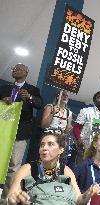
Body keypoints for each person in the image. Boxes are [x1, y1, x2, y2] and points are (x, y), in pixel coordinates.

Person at [5, 132, 100, 205]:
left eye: (50, 144)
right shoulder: (28, 168)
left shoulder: (66, 171)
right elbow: (10, 197)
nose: (44, 148)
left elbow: (78, 200)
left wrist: (88, 193)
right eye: (42, 145)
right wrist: (14, 199)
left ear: (61, 150)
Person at [0, 63, 43, 200]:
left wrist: (29, 98)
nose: (15, 70)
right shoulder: (4, 88)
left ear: (26, 72)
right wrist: (2, 99)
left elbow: (39, 104)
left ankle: (7, 198)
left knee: (14, 166)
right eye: (13, 68)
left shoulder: (32, 90)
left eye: (18, 69)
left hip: (20, 132)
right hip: (3, 131)